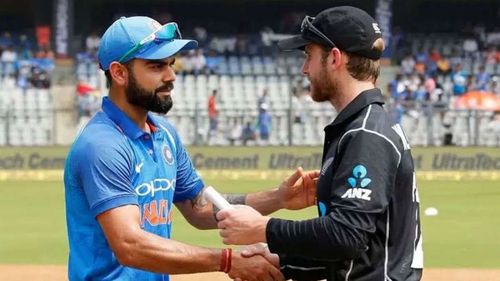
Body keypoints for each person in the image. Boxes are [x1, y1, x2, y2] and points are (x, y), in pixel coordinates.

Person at [64, 16, 319, 281]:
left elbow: (198, 209)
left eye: (171, 64)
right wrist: (227, 261)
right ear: (119, 73)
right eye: (156, 66)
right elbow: (130, 245)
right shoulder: (102, 145)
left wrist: (278, 198)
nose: (171, 76)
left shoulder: (164, 134)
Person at [216, 6, 423, 281]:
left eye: (308, 56)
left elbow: (346, 236)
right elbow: (356, 252)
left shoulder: (365, 133)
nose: (304, 69)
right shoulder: (362, 126)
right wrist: (282, 260)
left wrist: (263, 227)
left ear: (334, 58)